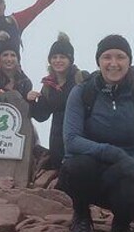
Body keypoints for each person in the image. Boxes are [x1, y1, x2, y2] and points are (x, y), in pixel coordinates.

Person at [61, 35, 134, 232]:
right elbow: (72, 139)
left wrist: (128, 164)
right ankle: (81, 216)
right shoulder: (82, 92)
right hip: (88, 167)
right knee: (76, 167)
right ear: (98, 61)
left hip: (122, 173)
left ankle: (121, 228)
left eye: (120, 57)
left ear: (129, 61)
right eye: (107, 57)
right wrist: (113, 153)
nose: (113, 63)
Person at [28, 33, 89, 171]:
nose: (58, 60)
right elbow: (41, 115)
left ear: (70, 59)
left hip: (81, 137)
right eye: (54, 57)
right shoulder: (48, 85)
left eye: (62, 57)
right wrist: (32, 101)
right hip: (57, 141)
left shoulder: (82, 78)